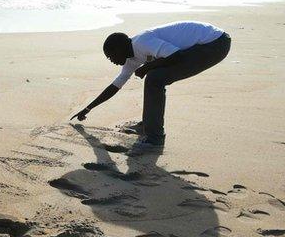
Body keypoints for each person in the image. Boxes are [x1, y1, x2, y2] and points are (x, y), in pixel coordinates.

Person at [70, 21, 231, 151]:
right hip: (206, 43)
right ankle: (149, 126)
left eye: (111, 56)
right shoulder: (131, 58)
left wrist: (147, 67)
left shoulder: (141, 42)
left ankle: (154, 139)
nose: (111, 60)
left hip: (215, 43)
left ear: (120, 48)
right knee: (155, 78)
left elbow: (176, 55)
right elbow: (116, 85)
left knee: (155, 78)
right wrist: (88, 108)